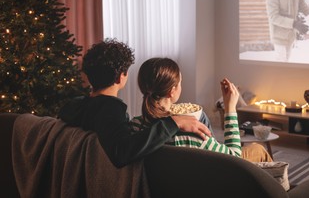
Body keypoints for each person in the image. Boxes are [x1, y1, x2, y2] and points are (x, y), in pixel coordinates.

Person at [58, 39, 212, 168]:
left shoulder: (75, 105)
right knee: (202, 118)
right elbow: (122, 151)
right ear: (120, 77)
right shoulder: (111, 108)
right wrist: (173, 123)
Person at [130, 57, 272, 162]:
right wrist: (230, 109)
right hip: (212, 184)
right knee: (258, 149)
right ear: (172, 92)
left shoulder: (134, 128)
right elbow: (234, 158)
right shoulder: (194, 135)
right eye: (180, 82)